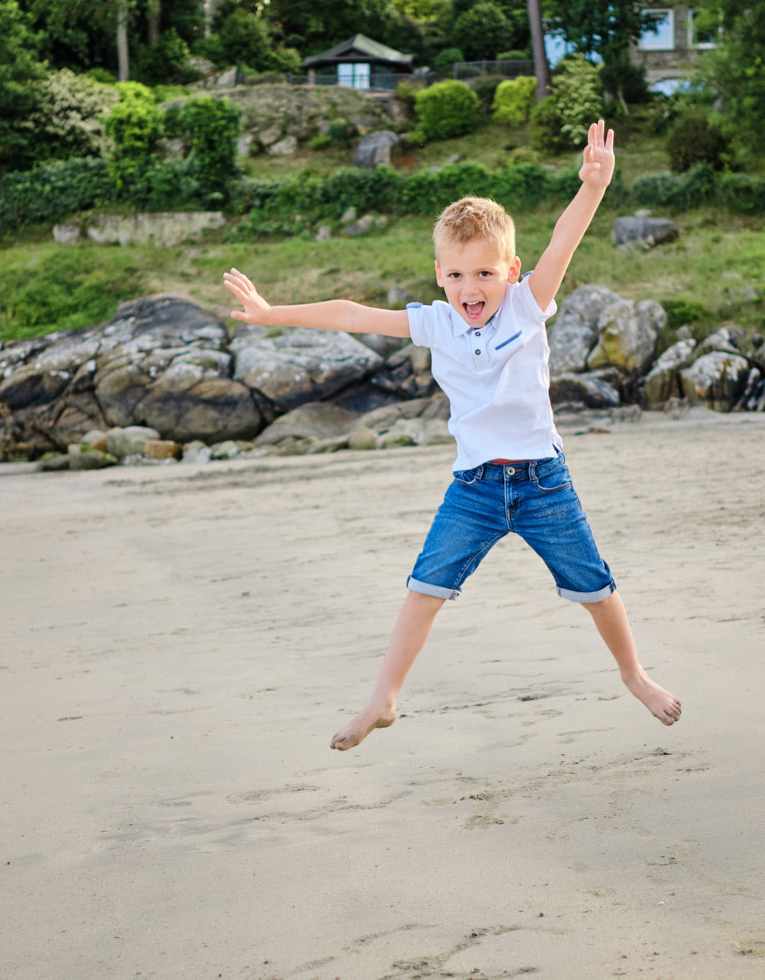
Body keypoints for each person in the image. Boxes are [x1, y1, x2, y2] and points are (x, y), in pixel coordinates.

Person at [223, 120, 681, 751]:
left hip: (545, 483)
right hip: (474, 486)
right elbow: (353, 314)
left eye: (487, 274)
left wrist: (594, 186)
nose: (473, 288)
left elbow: (563, 242)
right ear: (440, 274)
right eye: (459, 275)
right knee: (423, 589)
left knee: (594, 588)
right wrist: (275, 313)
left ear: (510, 272)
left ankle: (634, 674)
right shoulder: (435, 323)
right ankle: (382, 700)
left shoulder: (526, 304)